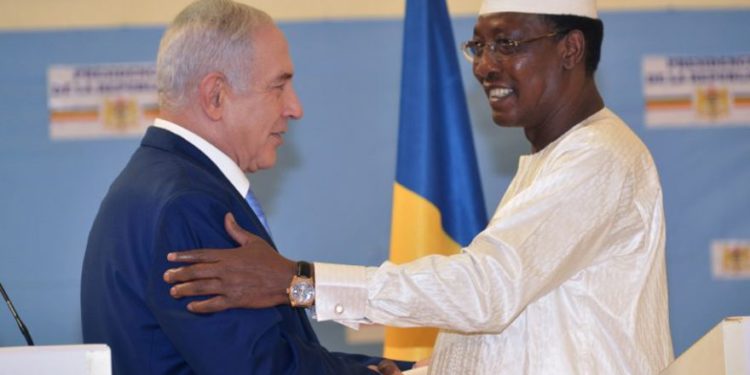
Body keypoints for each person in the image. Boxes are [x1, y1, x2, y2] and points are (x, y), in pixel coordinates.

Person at [163, 0, 675, 373]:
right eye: (478, 45)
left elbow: (488, 291)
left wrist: (301, 282)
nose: (483, 65)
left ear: (571, 48)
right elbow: (519, 335)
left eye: (507, 44)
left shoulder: (599, 158)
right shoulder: (555, 162)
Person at [80, 1, 411, 374]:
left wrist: (389, 367)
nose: (295, 107)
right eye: (278, 86)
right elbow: (261, 368)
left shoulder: (154, 184)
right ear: (216, 96)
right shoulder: (187, 204)